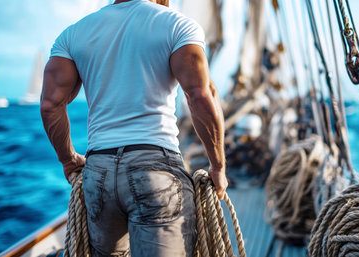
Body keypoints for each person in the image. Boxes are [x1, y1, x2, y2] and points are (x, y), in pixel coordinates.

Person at [40, 0, 227, 256]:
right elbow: (199, 95)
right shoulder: (176, 24)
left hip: (99, 174)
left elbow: (50, 104)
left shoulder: (74, 34)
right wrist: (217, 166)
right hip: (156, 171)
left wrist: (68, 159)